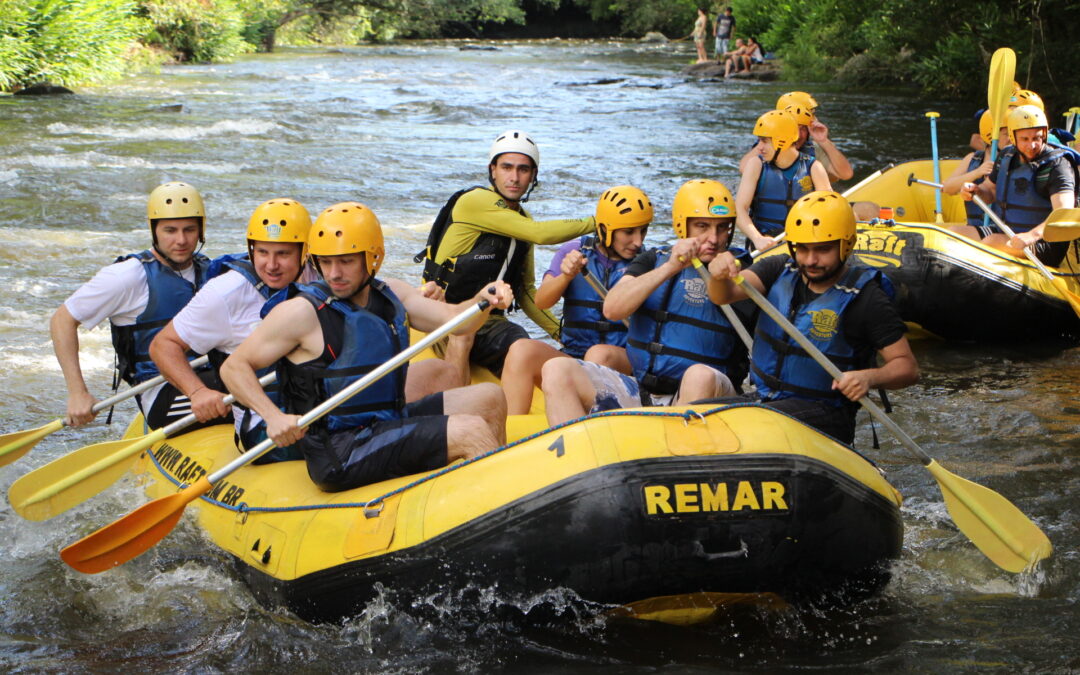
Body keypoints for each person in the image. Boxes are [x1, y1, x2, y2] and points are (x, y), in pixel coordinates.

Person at [221, 202, 513, 492]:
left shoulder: (393, 295)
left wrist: (484, 299)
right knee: (470, 431)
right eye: (326, 262)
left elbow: (457, 320)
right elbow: (234, 367)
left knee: (489, 398)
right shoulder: (301, 312)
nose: (334, 273)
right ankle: (501, 505)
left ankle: (488, 497)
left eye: (346, 261)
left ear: (373, 257)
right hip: (340, 449)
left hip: (386, 421)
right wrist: (272, 416)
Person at [705, 190, 919, 446]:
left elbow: (907, 368)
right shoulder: (778, 268)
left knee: (755, 421)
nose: (810, 260)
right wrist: (719, 276)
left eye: (823, 250)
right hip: (767, 400)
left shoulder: (867, 298)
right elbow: (724, 295)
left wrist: (868, 378)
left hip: (826, 413)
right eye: (803, 249)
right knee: (694, 416)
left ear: (846, 245)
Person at [541, 180, 753, 427]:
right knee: (557, 369)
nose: (713, 238)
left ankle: (678, 446)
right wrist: (670, 267)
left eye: (722, 228)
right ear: (681, 225)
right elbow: (613, 308)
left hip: (712, 394)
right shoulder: (653, 260)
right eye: (702, 226)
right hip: (644, 392)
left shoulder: (742, 268)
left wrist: (723, 274)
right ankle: (580, 448)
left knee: (698, 376)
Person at [416, 130, 595, 376]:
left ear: (533, 175)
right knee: (515, 341)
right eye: (506, 167)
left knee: (526, 347)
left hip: (489, 322)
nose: (514, 178)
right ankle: (454, 387)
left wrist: (561, 333)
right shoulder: (474, 202)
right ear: (493, 170)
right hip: (445, 316)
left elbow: (525, 292)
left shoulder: (522, 219)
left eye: (523, 169)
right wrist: (598, 222)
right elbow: (540, 234)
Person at [149, 198, 312, 464]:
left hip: (316, 413)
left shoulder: (323, 278)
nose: (271, 265)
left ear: (305, 252)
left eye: (283, 254)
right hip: (264, 428)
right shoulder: (226, 292)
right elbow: (163, 345)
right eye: (262, 252)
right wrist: (197, 392)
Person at [50, 181, 214, 430]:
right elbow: (62, 320)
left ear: (201, 230)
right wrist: (77, 392)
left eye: (189, 230)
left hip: (206, 376)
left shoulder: (209, 270)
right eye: (170, 230)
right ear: (154, 230)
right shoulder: (127, 276)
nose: (181, 240)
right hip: (162, 393)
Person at [500, 186, 652, 415]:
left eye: (643, 230)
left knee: (598, 354)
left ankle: (596, 424)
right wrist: (566, 276)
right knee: (521, 350)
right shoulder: (573, 251)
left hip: (623, 361)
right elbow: (542, 301)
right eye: (629, 232)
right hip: (573, 354)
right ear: (604, 229)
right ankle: (513, 426)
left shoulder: (648, 263)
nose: (638, 242)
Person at [960, 105, 1080, 266]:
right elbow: (990, 190)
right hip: (1007, 231)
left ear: (1044, 135)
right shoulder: (1006, 156)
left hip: (1043, 242)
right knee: (955, 235)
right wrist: (976, 190)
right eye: (1025, 139)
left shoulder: (1058, 166)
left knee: (990, 242)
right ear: (1013, 136)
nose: (1032, 145)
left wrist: (1031, 236)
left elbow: (1063, 214)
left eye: (1037, 138)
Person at [736, 109, 831, 249]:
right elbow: (739, 209)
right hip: (764, 246)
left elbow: (829, 211)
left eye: (764, 141)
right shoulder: (755, 165)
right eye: (759, 140)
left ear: (783, 141)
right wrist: (757, 238)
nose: (759, 148)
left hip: (802, 247)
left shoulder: (814, 167)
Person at [739, 92, 855, 182]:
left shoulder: (816, 150)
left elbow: (846, 174)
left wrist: (823, 141)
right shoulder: (766, 148)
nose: (797, 135)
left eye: (803, 128)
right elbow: (744, 168)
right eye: (793, 127)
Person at [943, 110, 1010, 240]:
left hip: (1000, 230)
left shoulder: (1014, 159)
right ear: (990, 135)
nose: (1011, 138)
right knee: (951, 234)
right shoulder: (972, 159)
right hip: (975, 228)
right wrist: (976, 173)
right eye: (1006, 134)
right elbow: (947, 188)